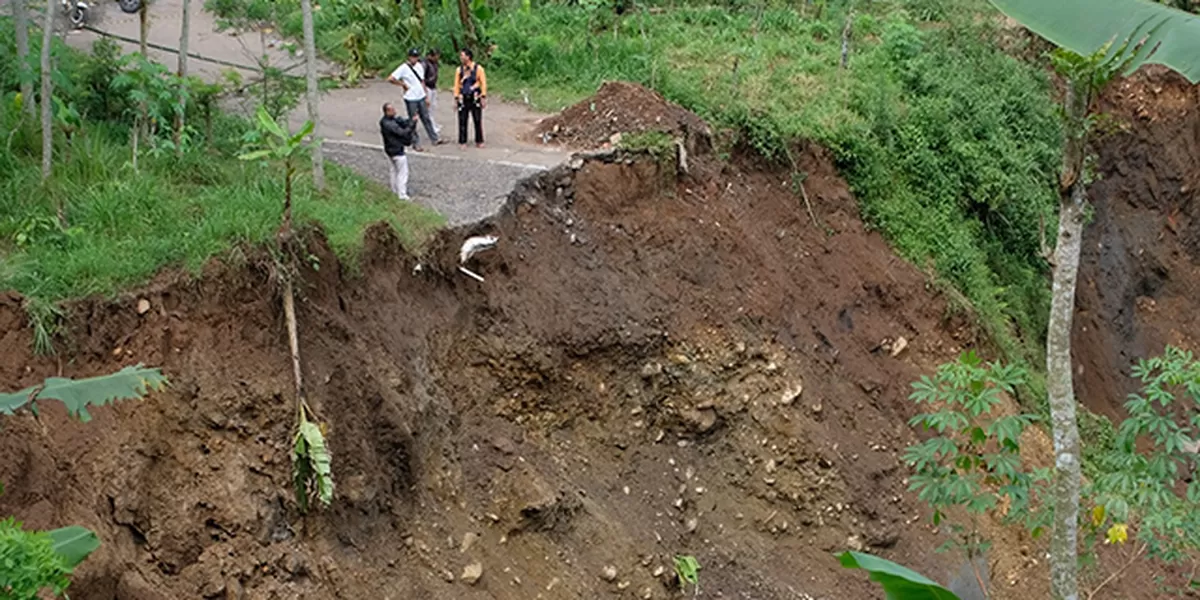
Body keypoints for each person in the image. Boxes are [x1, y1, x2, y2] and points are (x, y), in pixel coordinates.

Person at [387, 48, 441, 150]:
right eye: (413, 57)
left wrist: (425, 96)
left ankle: (434, 138)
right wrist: (402, 84)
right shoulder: (403, 68)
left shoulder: (419, 66)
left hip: (420, 95)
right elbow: (391, 78)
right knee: (413, 120)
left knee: (426, 118)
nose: (414, 59)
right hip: (410, 97)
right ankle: (415, 142)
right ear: (409, 57)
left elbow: (422, 81)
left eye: (416, 57)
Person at [379, 103, 415, 200]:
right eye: (391, 110)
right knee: (403, 172)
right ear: (387, 111)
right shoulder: (389, 124)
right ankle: (402, 194)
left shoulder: (385, 122)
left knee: (394, 170)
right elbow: (402, 133)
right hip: (397, 150)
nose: (394, 111)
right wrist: (411, 125)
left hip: (390, 150)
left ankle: (394, 189)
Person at [453, 47, 487, 148]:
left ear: (468, 57)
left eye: (462, 55)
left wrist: (483, 96)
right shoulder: (459, 70)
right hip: (463, 97)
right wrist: (456, 98)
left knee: (477, 119)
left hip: (475, 96)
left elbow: (483, 83)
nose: (461, 58)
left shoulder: (478, 69)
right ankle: (463, 141)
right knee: (462, 120)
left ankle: (479, 140)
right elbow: (456, 84)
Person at [422, 48, 442, 136]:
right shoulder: (425, 64)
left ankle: (433, 124)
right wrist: (424, 91)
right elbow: (422, 78)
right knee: (428, 109)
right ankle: (432, 127)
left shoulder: (435, 63)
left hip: (433, 86)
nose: (438, 58)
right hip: (427, 87)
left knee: (433, 107)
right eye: (436, 56)